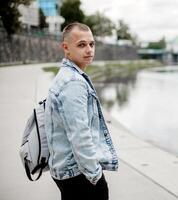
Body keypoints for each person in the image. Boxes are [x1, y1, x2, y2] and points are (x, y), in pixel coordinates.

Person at [45, 22, 118, 200]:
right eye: (81, 45)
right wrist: (95, 175)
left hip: (68, 170)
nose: (89, 50)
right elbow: (79, 134)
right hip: (78, 174)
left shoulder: (67, 75)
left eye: (91, 44)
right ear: (66, 48)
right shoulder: (73, 83)